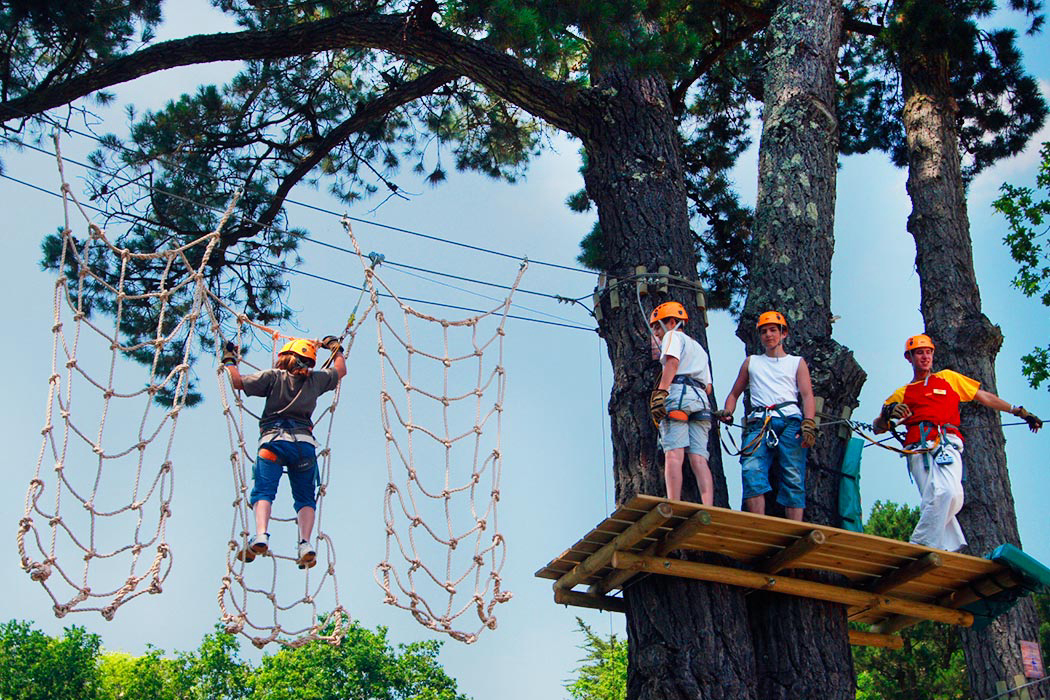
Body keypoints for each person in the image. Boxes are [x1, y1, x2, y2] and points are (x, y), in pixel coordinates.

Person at [873, 334, 1042, 551]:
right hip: (918, 448)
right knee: (934, 498)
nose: (925, 357)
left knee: (952, 494)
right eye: (919, 353)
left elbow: (984, 396)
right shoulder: (902, 393)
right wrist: (887, 413)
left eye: (928, 352)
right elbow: (878, 427)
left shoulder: (948, 379)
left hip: (947, 443)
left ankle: (919, 545)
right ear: (909, 357)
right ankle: (946, 548)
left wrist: (1018, 411)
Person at [222, 335, 346, 569]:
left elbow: (236, 381)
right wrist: (335, 348)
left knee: (263, 492)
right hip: (304, 447)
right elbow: (341, 370)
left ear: (285, 357)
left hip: (273, 442)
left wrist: (229, 360)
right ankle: (305, 543)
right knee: (305, 498)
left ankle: (261, 534)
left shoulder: (273, 377)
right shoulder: (317, 380)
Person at [720, 311, 816, 521]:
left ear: (783, 334)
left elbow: (808, 396)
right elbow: (734, 394)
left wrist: (809, 423)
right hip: (759, 421)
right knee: (751, 469)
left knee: (793, 474)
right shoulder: (752, 362)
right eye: (764, 331)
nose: (768, 335)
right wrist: (728, 411)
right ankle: (758, 524)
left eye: (773, 330)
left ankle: (794, 528)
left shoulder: (796, 362)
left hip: (790, 421)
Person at [647, 301, 715, 504]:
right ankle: (708, 506)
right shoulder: (699, 349)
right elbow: (708, 387)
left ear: (671, 322)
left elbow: (672, 363)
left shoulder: (672, 336)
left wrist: (660, 393)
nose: (656, 333)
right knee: (699, 458)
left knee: (674, 455)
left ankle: (674, 503)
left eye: (657, 326)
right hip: (701, 400)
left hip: (679, 395)